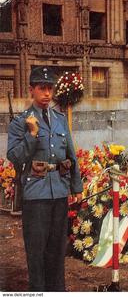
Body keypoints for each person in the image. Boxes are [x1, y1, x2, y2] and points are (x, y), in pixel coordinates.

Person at [7, 66, 83, 292]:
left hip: (59, 191)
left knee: (57, 251)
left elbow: (71, 153)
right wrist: (31, 135)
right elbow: (14, 156)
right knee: (37, 252)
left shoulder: (59, 119)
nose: (47, 93)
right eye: (42, 88)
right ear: (31, 90)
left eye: (50, 88)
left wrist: (76, 186)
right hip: (36, 195)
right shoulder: (21, 122)